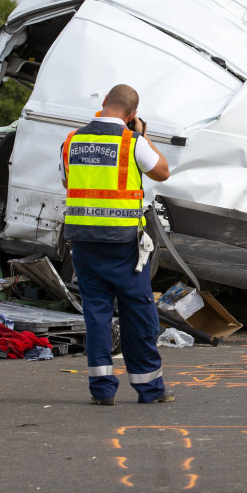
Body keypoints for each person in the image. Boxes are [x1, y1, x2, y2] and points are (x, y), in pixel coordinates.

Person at [61, 84, 173, 406]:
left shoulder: (72, 141)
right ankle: (150, 390)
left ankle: (102, 391)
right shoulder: (132, 142)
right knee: (136, 313)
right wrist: (143, 135)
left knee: (96, 315)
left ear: (104, 102)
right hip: (124, 246)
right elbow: (163, 172)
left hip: (83, 243)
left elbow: (70, 182)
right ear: (133, 115)